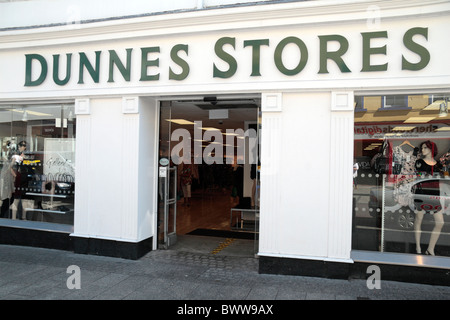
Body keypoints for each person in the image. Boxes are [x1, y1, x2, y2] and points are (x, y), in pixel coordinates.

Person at [413, 140, 445, 256]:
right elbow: (418, 178)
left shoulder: (438, 165)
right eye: (422, 148)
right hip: (421, 194)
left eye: (425, 148)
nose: (423, 150)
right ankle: (418, 248)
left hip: (434, 195)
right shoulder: (419, 163)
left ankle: (430, 248)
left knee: (440, 222)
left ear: (432, 149)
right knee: (418, 220)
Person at [0, 152, 17, 218]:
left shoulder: (8, 168)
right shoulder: (6, 167)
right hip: (5, 192)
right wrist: (12, 162)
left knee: (7, 204)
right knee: (5, 205)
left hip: (8, 192)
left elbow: (14, 176)